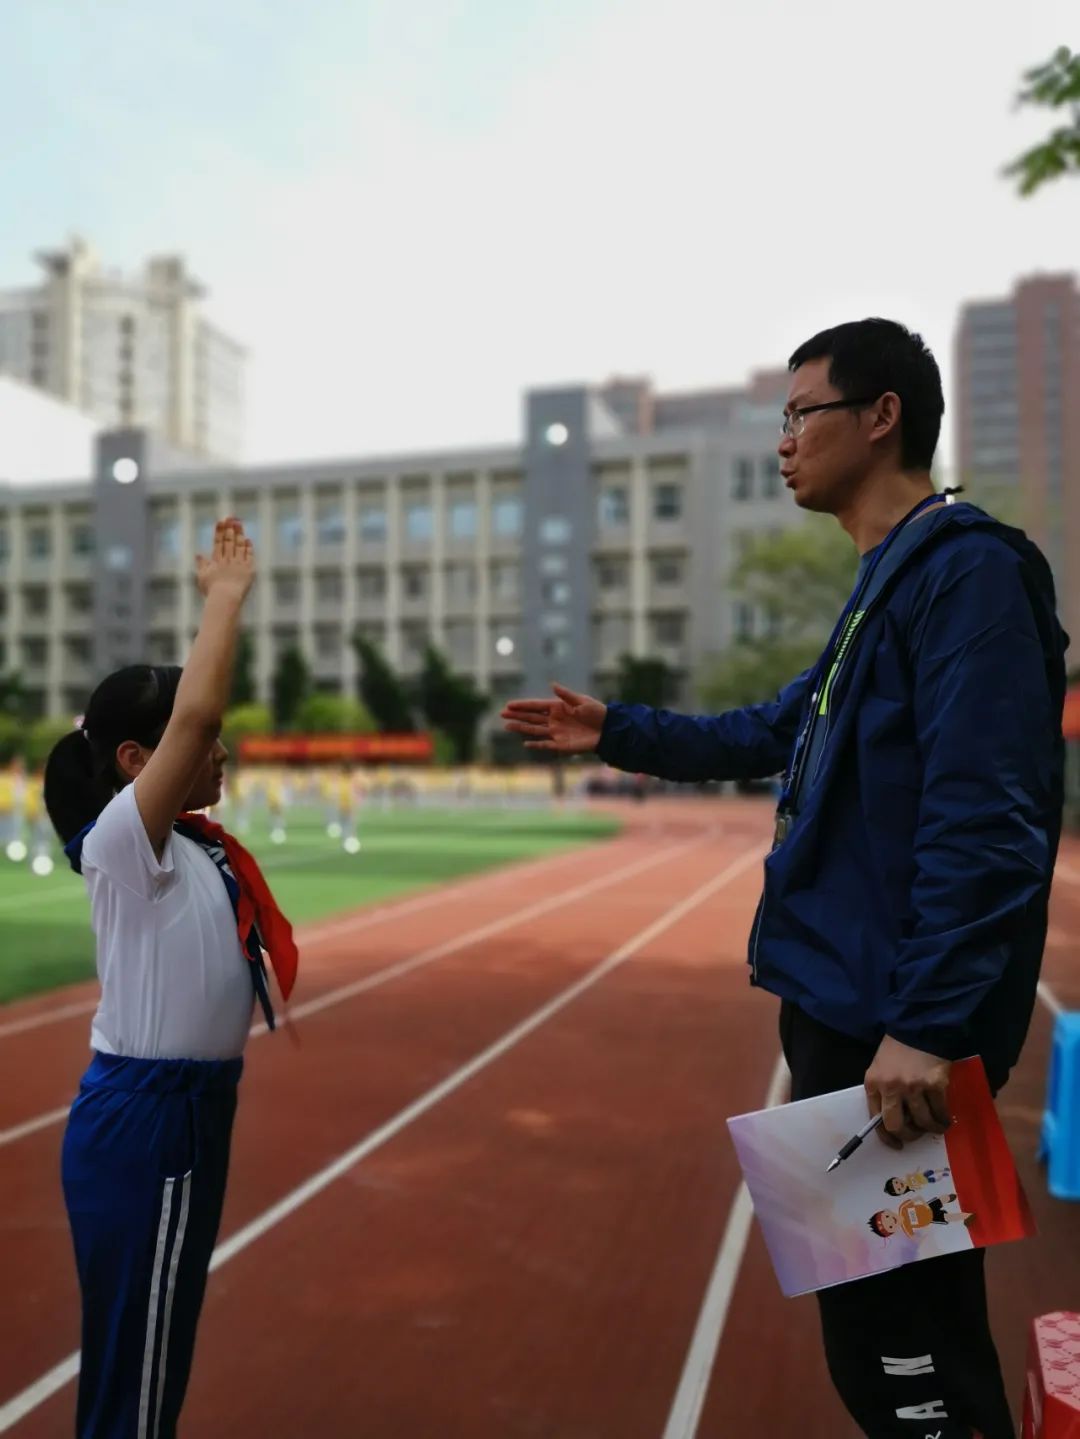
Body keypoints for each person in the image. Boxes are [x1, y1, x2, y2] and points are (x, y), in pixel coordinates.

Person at [502, 319, 1067, 1439]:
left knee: (908, 1361)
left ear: (881, 414)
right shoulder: (888, 584)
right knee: (887, 1340)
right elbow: (775, 725)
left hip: (890, 1036)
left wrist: (926, 1020)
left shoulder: (967, 575)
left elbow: (990, 815)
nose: (784, 441)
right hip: (850, 1013)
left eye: (801, 412)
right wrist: (620, 728)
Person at [43, 518, 298, 1439]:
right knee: (138, 1378)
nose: (218, 750)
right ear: (136, 764)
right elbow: (193, 715)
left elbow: (191, 725)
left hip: (188, 1109)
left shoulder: (185, 843)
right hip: (149, 1117)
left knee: (150, 1359)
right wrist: (225, 600)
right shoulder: (125, 842)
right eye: (203, 741)